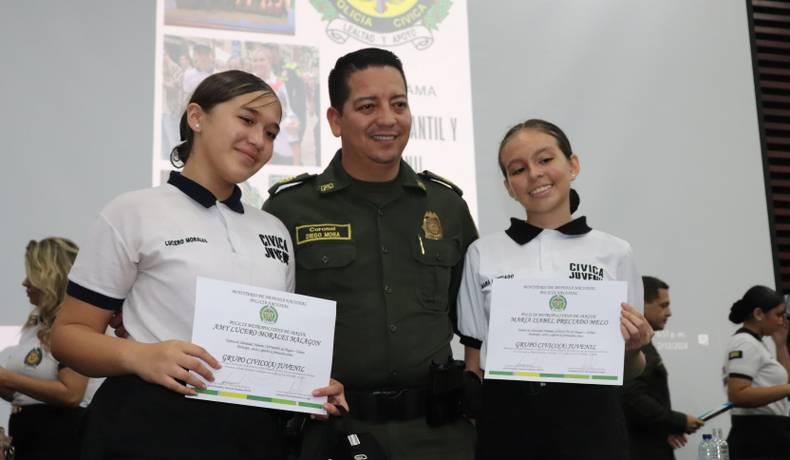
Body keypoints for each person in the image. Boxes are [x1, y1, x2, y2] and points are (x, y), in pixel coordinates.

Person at [50, 70, 346, 460]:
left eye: (272, 133)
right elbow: (67, 335)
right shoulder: (133, 211)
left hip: (253, 439)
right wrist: (141, 356)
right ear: (196, 117)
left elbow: (271, 348)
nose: (259, 140)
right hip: (147, 429)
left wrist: (308, 387)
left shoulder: (272, 228)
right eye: (247, 119)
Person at [263, 48, 478, 460]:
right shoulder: (288, 210)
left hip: (439, 437)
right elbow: (266, 323)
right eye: (367, 106)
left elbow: (471, 317)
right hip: (333, 433)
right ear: (335, 120)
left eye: (399, 104)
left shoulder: (446, 206)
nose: (387, 119)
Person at [456, 119, 653, 460]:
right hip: (509, 427)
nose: (534, 174)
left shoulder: (616, 252)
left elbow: (629, 366)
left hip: (593, 426)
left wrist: (635, 349)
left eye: (545, 160)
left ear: (572, 165)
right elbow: (474, 364)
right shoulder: (482, 254)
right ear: (508, 186)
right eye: (518, 169)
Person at [0, 238, 88, 459]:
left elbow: (72, 394)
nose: (24, 283)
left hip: (60, 441)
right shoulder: (35, 326)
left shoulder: (74, 327)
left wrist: (7, 378)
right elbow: (24, 395)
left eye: (31, 274)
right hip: (28, 438)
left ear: (50, 276)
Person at [622, 276, 704, 460]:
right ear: (641, 304)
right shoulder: (635, 347)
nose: (669, 313)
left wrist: (665, 428)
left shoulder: (643, 344)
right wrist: (678, 422)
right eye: (663, 305)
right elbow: (631, 396)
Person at [723, 285, 790, 459]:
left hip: (769, 433)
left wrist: (781, 344)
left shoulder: (756, 343)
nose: (782, 321)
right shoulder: (745, 343)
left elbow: (783, 383)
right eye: (778, 315)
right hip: (756, 437)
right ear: (759, 314)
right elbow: (738, 395)